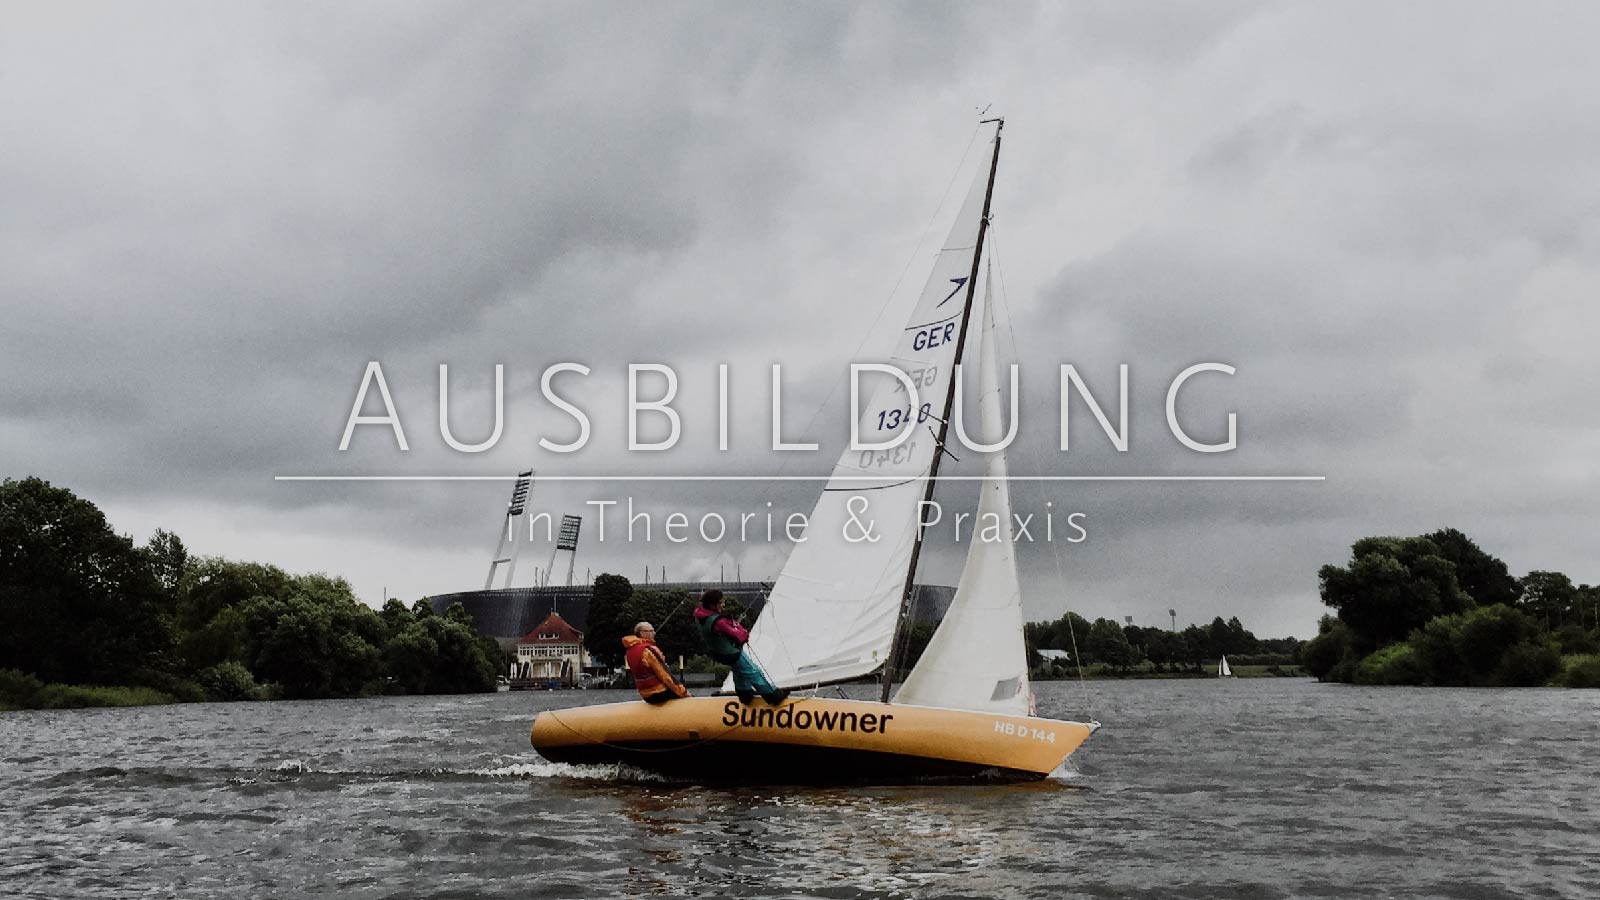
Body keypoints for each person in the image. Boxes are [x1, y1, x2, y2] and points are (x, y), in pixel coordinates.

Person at [694, 590, 789, 705]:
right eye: (721, 602)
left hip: (719, 653)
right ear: (712, 605)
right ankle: (773, 696)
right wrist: (743, 634)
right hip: (731, 653)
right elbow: (739, 635)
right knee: (753, 672)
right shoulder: (719, 622)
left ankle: (745, 696)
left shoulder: (701, 616)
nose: (723, 605)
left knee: (739, 671)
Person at [622, 622, 690, 705]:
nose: (654, 633)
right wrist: (684, 692)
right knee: (687, 698)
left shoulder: (630, 651)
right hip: (659, 693)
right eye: (650, 631)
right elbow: (664, 675)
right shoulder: (649, 650)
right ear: (642, 633)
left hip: (645, 695)